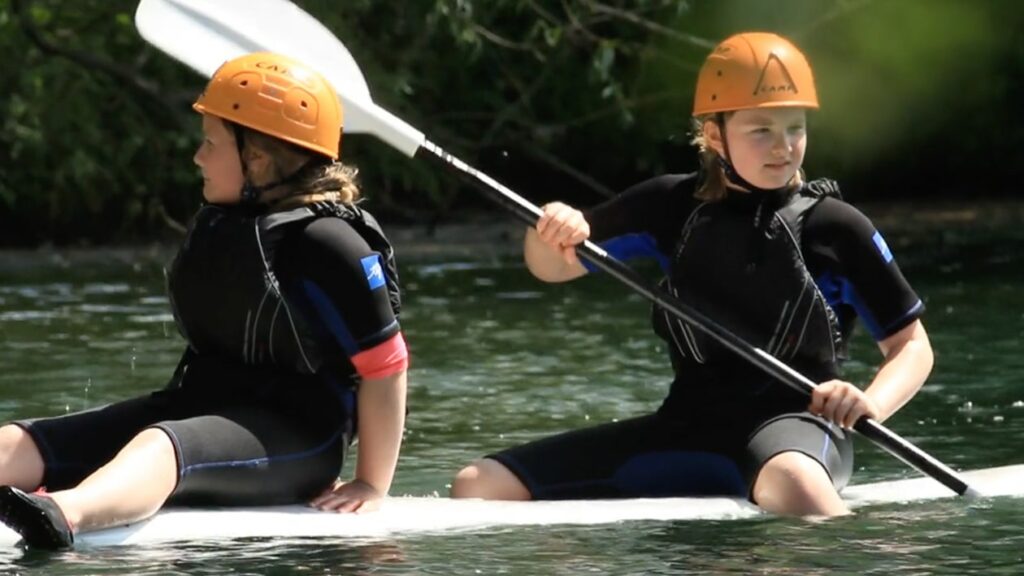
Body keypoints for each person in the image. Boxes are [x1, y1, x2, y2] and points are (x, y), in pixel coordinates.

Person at [451, 32, 933, 517]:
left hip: (799, 429)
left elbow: (911, 346)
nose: (783, 147)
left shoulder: (837, 226)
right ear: (715, 134)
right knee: (479, 483)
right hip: (686, 427)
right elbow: (550, 266)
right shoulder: (668, 206)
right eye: (760, 130)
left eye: (795, 127)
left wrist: (867, 403)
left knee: (795, 483)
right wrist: (552, 227)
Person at [0, 52, 408, 549]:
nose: (198, 156)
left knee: (160, 445)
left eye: (210, 143)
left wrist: (371, 483)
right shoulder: (232, 222)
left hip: (299, 435)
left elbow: (385, 366)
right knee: (22, 441)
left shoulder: (331, 245)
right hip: (201, 403)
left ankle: (63, 516)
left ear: (255, 158)